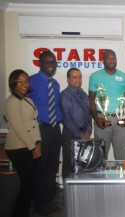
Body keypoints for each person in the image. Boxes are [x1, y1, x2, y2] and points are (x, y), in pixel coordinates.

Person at [27, 51, 62, 215]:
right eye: (47, 61)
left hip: (55, 129)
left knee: (52, 167)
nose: (51, 64)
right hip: (39, 129)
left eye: (54, 62)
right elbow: (24, 106)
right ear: (40, 63)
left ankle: (48, 200)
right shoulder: (31, 82)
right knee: (41, 168)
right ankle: (39, 204)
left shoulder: (55, 83)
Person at [4, 69, 41, 217]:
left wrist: (38, 142)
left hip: (32, 145)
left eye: (26, 81)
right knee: (28, 184)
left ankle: (23, 212)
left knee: (30, 184)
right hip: (18, 147)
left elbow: (34, 123)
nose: (24, 84)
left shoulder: (28, 100)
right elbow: (19, 127)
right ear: (13, 83)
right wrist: (33, 147)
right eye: (20, 81)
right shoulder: (11, 102)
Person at [89, 49, 125, 160]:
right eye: (109, 58)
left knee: (121, 156)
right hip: (102, 119)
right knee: (101, 156)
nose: (112, 60)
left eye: (114, 58)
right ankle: (100, 178)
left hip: (120, 120)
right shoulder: (94, 76)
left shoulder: (124, 77)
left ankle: (121, 177)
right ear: (103, 60)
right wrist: (96, 119)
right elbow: (91, 99)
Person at [60, 68, 92, 179]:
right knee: (69, 165)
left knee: (82, 164)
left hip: (84, 134)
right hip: (70, 135)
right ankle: (67, 193)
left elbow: (89, 114)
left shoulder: (83, 94)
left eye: (80, 77)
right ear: (68, 79)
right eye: (74, 77)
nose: (78, 80)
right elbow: (67, 120)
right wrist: (80, 136)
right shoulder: (65, 95)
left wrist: (88, 131)